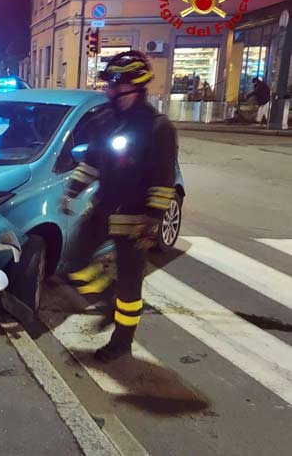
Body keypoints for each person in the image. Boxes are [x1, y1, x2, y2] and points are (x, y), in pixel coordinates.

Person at [61, 50, 178, 363]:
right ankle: (107, 299)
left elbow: (163, 180)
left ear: (135, 88)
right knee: (74, 263)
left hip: (135, 218)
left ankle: (121, 341)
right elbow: (92, 163)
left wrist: (152, 220)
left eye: (114, 86)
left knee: (130, 284)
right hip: (104, 209)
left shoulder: (158, 128)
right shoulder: (104, 120)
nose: (109, 91)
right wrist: (72, 190)